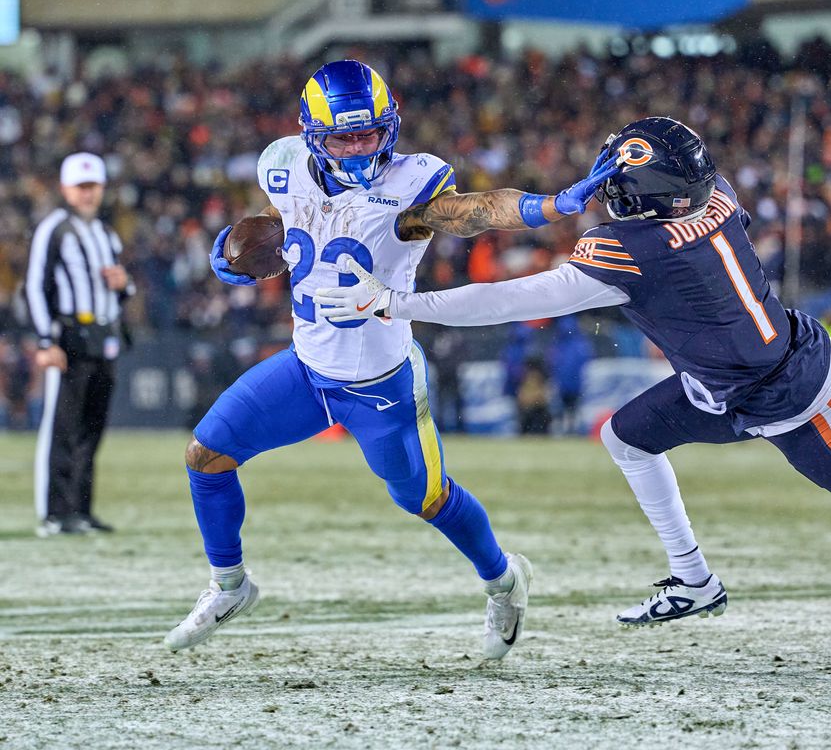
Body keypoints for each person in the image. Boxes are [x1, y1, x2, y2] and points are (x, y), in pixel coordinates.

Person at [317, 117, 831, 676]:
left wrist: (402, 305)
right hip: (724, 386)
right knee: (627, 436)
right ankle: (694, 580)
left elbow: (509, 299)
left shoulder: (627, 250)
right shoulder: (714, 197)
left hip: (794, 400)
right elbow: (655, 188)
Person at [164, 59, 618, 659]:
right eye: (342, 137)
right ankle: (230, 584)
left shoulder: (412, 184)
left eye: (369, 134)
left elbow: (475, 211)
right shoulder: (282, 166)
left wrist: (551, 206)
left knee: (424, 499)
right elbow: (289, 223)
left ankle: (505, 578)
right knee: (206, 456)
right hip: (306, 369)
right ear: (311, 138)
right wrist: (236, 250)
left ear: (391, 127)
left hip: (382, 383)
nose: (357, 148)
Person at [25, 152, 133, 537]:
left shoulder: (105, 233)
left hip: (104, 338)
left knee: (92, 428)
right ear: (66, 189)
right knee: (63, 428)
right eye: (81, 186)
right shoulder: (54, 227)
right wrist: (45, 339)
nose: (88, 194)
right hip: (69, 338)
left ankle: (81, 510)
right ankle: (55, 513)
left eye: (93, 186)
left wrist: (125, 284)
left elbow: (122, 287)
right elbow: (35, 287)